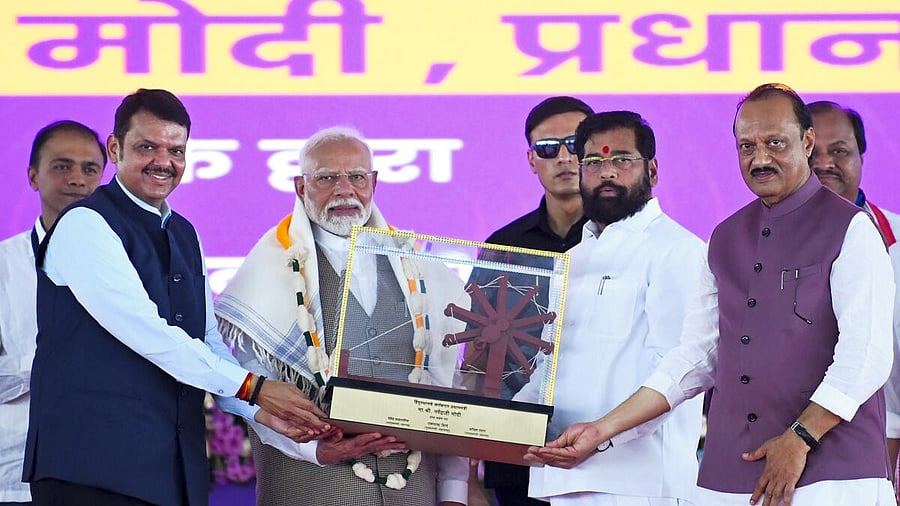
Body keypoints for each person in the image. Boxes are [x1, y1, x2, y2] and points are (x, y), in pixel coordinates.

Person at [526, 83, 896, 506]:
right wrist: (602, 429)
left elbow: (865, 357)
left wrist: (798, 439)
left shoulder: (850, 228)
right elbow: (695, 358)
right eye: (746, 146)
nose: (760, 158)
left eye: (775, 143)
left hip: (833, 475)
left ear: (806, 140)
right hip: (728, 477)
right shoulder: (724, 238)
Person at [23, 89, 330, 506]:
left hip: (169, 470)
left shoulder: (184, 232)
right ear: (115, 148)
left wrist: (259, 411)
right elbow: (147, 332)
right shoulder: (85, 225)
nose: (163, 162)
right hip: (90, 470)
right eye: (147, 147)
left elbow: (206, 341)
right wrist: (254, 387)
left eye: (176, 150)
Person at [214, 126, 470, 506]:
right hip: (309, 486)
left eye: (356, 177)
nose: (344, 190)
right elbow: (246, 390)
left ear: (374, 183)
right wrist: (316, 450)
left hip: (414, 491)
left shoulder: (422, 270)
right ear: (301, 187)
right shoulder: (266, 273)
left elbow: (451, 389)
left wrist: (454, 491)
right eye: (327, 178)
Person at [513, 111, 705, 505]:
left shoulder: (679, 250)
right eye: (595, 162)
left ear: (651, 170)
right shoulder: (573, 258)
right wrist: (508, 424)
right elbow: (548, 370)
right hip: (564, 477)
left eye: (622, 159)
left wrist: (601, 434)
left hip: (641, 483)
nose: (607, 172)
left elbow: (679, 371)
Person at [479, 95, 593, 506]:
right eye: (548, 148)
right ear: (532, 160)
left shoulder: (630, 240)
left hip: (608, 450)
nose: (564, 157)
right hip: (518, 453)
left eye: (576, 145)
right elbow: (479, 355)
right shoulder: (503, 245)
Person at [0, 120, 107, 505]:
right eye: (62, 166)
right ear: (33, 177)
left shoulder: (133, 264)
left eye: (90, 169)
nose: (77, 179)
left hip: (110, 473)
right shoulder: (3, 266)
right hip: (15, 478)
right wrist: (60, 366)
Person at [807, 101, 900, 477]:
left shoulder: (897, 243)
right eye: (812, 151)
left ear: (861, 156)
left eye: (839, 151)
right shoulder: (748, 243)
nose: (824, 163)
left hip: (881, 447)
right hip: (785, 444)